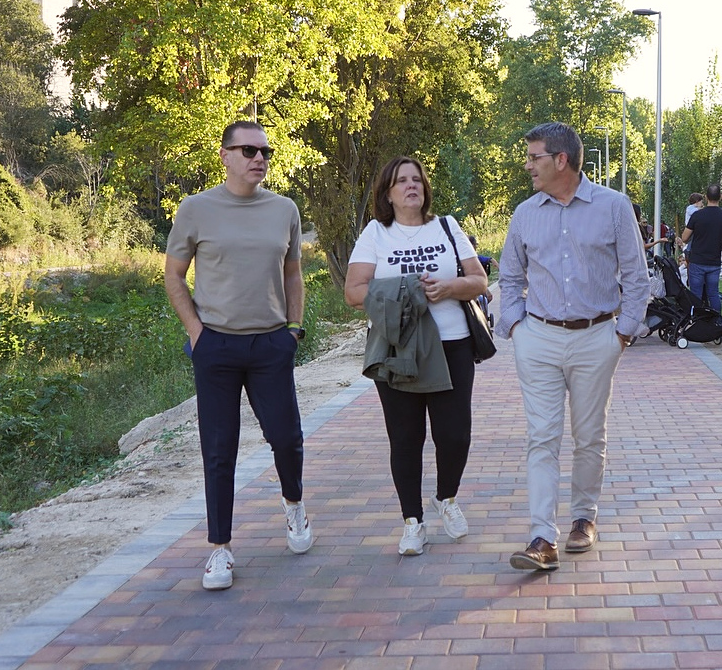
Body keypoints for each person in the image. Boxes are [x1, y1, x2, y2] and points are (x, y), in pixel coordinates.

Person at [164, 120, 312, 591]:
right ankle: (220, 549)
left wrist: (292, 329)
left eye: (265, 151)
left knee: (286, 437)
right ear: (224, 154)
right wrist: (197, 333)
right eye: (248, 150)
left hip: (271, 343)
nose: (259, 158)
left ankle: (294, 507)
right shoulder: (196, 209)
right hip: (217, 346)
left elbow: (293, 273)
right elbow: (174, 276)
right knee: (218, 448)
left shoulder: (284, 209)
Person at [497, 122, 650, 571]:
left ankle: (584, 517)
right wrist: (517, 329)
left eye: (534, 157)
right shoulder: (525, 213)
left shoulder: (613, 206)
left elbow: (636, 276)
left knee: (588, 436)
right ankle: (541, 537)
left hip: (596, 337)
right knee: (541, 437)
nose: (528, 166)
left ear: (560, 159)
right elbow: (509, 277)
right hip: (539, 337)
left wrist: (622, 333)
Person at [343, 156, 488, 556]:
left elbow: (479, 281)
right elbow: (354, 292)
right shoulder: (376, 233)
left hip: (452, 343)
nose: (412, 186)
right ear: (387, 193)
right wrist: (404, 288)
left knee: (454, 434)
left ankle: (447, 498)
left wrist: (448, 287)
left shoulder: (447, 227)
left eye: (417, 180)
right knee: (406, 438)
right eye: (402, 181)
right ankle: (412, 522)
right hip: (397, 347)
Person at [680, 183, 722, 311]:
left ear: (705, 197)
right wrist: (716, 238)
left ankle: (696, 321)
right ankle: (717, 322)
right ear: (720, 197)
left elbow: (684, 238)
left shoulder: (697, 216)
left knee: (696, 294)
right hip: (714, 261)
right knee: (713, 294)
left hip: (697, 260)